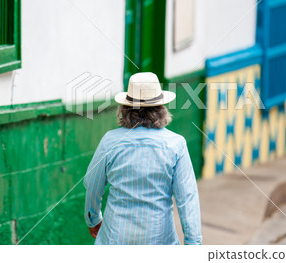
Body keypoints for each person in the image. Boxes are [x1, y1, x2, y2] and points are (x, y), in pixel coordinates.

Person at [83, 72, 202, 245]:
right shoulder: (176, 145)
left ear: (125, 108)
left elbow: (92, 185)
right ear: (161, 108)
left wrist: (93, 219)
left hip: (115, 240)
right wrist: (193, 244)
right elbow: (187, 199)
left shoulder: (110, 141)